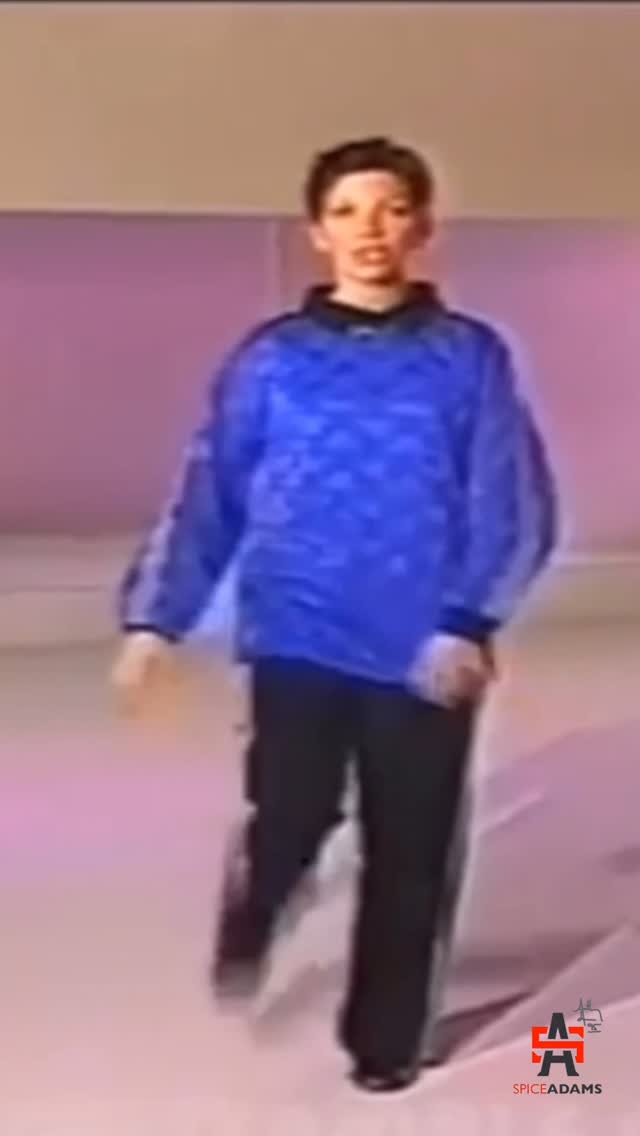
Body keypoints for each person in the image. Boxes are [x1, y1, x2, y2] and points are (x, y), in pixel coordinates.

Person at [112, 136, 557, 1093]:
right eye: (348, 211)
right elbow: (210, 493)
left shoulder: (466, 357)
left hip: (424, 648)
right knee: (291, 814)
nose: (370, 230)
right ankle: (257, 903)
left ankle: (386, 1042)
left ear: (422, 227)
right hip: (298, 635)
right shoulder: (272, 360)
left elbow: (510, 496)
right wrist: (156, 621)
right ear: (318, 232)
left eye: (391, 209)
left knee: (412, 847)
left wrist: (469, 620)